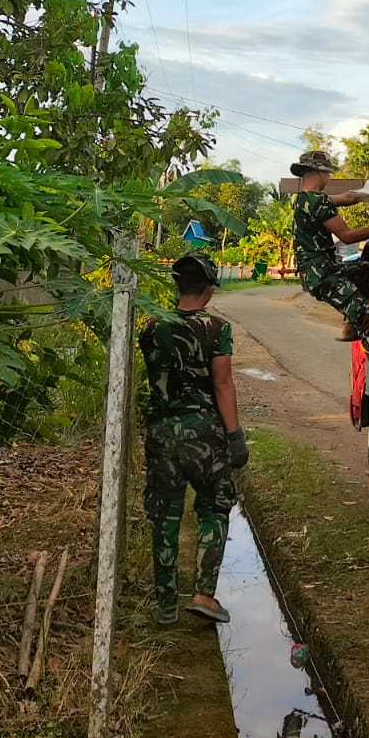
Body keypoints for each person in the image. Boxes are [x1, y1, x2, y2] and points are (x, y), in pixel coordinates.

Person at [139, 252, 248, 626]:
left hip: (161, 433)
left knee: (165, 514)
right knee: (214, 507)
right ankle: (203, 595)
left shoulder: (152, 327)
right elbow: (222, 383)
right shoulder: (217, 329)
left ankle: (166, 606)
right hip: (204, 434)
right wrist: (234, 436)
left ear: (177, 285)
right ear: (209, 288)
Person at [287, 149, 369, 398]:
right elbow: (347, 236)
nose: (329, 177)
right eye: (328, 173)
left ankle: (349, 326)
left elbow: (346, 198)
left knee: (363, 270)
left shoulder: (302, 200)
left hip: (319, 272)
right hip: (323, 274)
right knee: (368, 318)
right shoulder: (318, 203)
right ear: (319, 172)